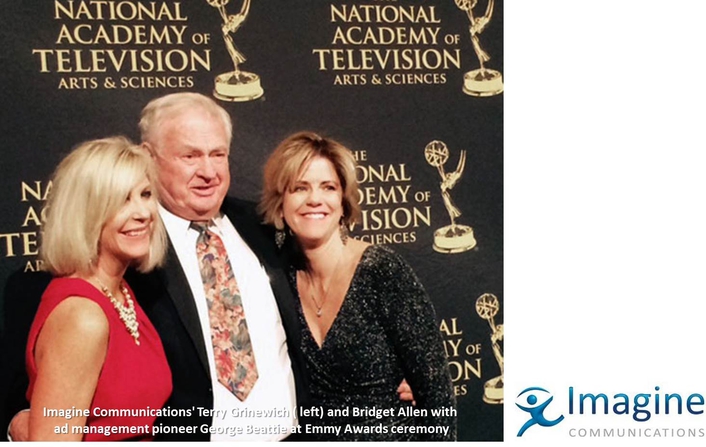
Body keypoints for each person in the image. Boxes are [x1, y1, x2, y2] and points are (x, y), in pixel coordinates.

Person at [3, 93, 310, 441]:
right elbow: (45, 395)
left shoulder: (265, 226)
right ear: (149, 157)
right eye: (190, 155)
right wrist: (24, 422)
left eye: (218, 154)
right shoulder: (123, 253)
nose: (208, 172)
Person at [259, 131, 457, 441]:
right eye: (300, 187)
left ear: (343, 201)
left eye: (328, 187)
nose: (315, 199)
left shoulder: (382, 272)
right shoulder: (276, 276)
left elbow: (437, 398)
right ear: (280, 201)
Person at [25, 137, 171, 440]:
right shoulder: (83, 316)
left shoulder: (123, 292)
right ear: (87, 213)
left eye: (145, 194)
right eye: (121, 200)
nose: (143, 212)